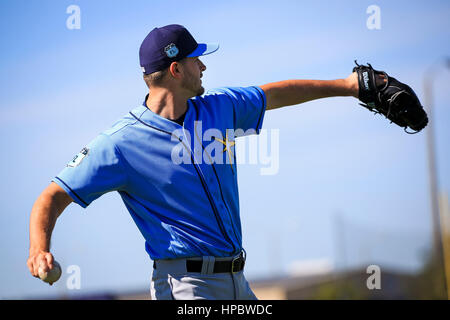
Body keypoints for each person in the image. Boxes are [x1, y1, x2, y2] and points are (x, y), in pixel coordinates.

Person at [27, 24, 376, 300]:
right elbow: (52, 195)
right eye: (197, 60)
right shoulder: (120, 144)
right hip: (185, 287)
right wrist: (39, 249)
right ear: (177, 69)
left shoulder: (219, 108)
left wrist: (350, 85)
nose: (204, 65)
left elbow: (278, 93)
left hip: (238, 281)